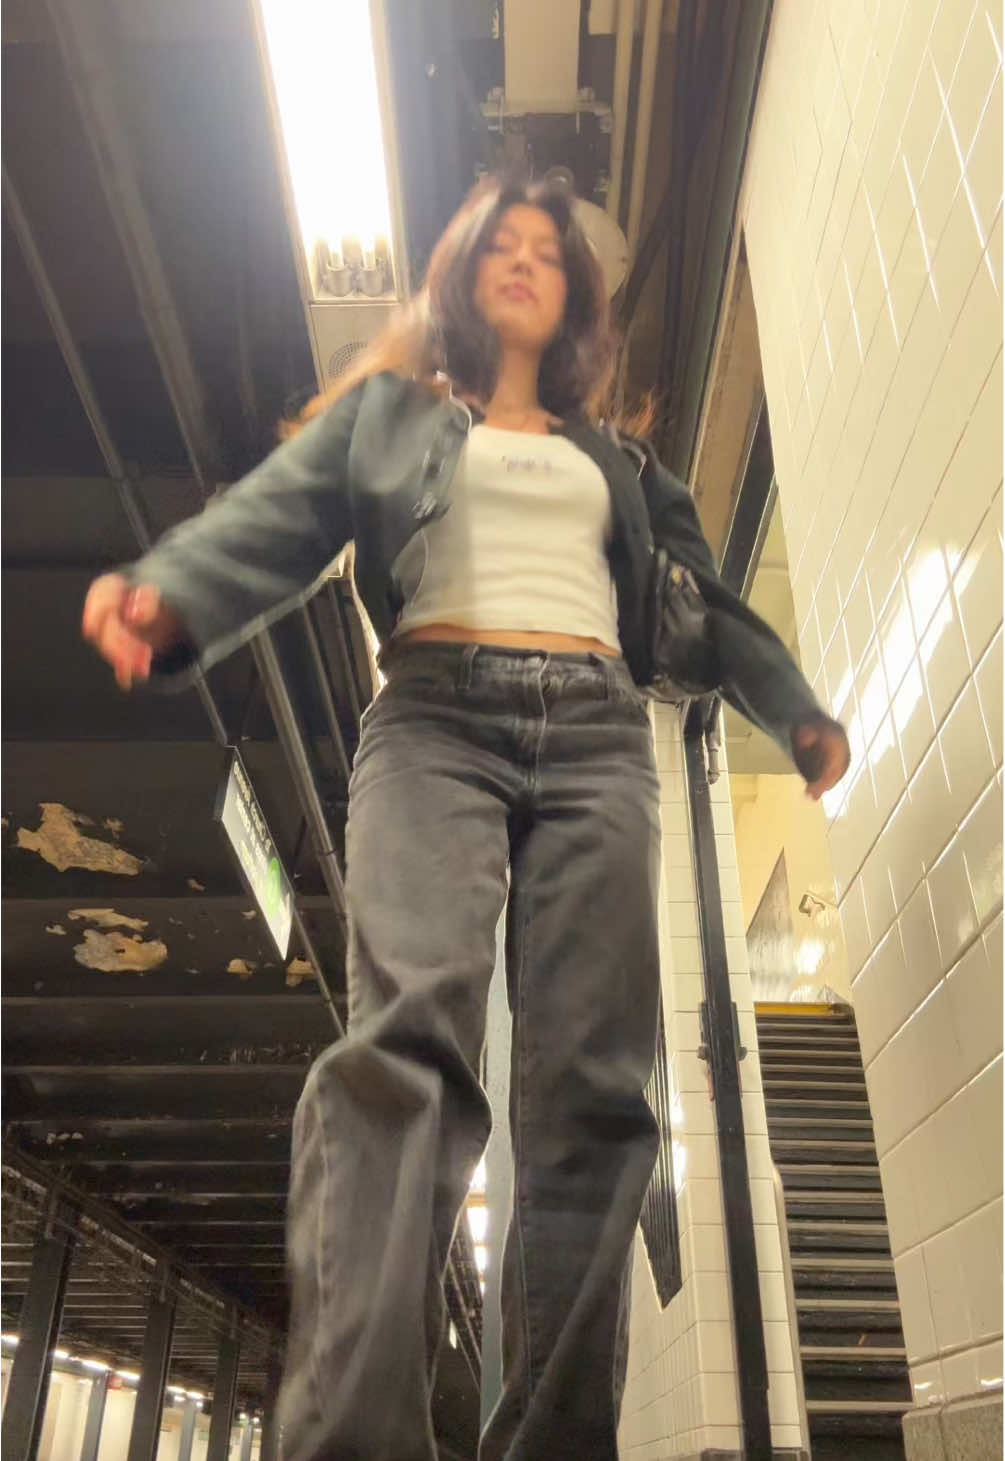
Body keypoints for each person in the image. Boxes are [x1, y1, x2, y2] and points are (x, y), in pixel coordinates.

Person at [82, 175, 849, 1461]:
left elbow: (705, 604)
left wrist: (795, 706)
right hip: (434, 718)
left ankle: (559, 1440)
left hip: (600, 738)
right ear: (462, 279)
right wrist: (171, 596)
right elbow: (275, 516)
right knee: (405, 1041)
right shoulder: (388, 419)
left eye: (550, 250)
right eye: (503, 244)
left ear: (577, 302)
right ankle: (353, 1434)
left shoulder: (626, 466)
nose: (527, 259)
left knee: (592, 1089)